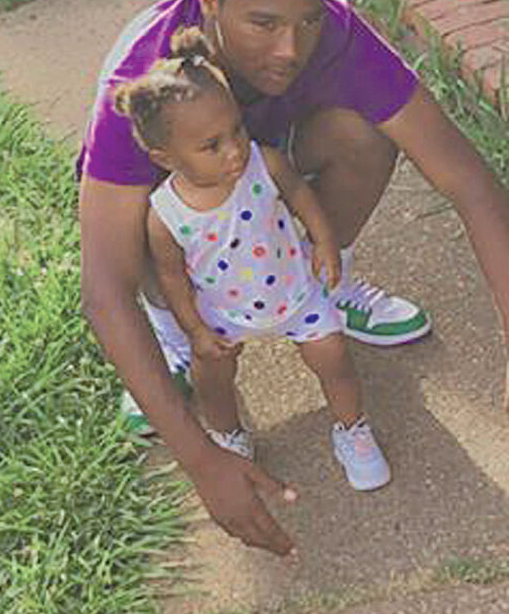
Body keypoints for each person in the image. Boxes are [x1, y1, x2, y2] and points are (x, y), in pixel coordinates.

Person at [79, 0, 509, 558]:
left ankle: (320, 283)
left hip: (269, 192)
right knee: (136, 224)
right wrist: (202, 461)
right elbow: (103, 287)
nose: (290, 48)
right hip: (183, 224)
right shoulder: (142, 79)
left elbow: (471, 184)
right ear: (211, 1)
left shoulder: (340, 34)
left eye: (307, 20)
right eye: (264, 24)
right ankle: (173, 334)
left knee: (362, 136)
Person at [113, 25, 391, 491]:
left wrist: (324, 241)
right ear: (165, 158)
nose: (234, 150)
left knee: (334, 357)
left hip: (296, 295)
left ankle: (353, 428)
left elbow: (300, 194)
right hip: (221, 313)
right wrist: (195, 331)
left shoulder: (265, 163)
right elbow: (172, 279)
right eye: (211, 145)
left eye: (237, 129)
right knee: (211, 378)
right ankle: (229, 437)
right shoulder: (165, 215)